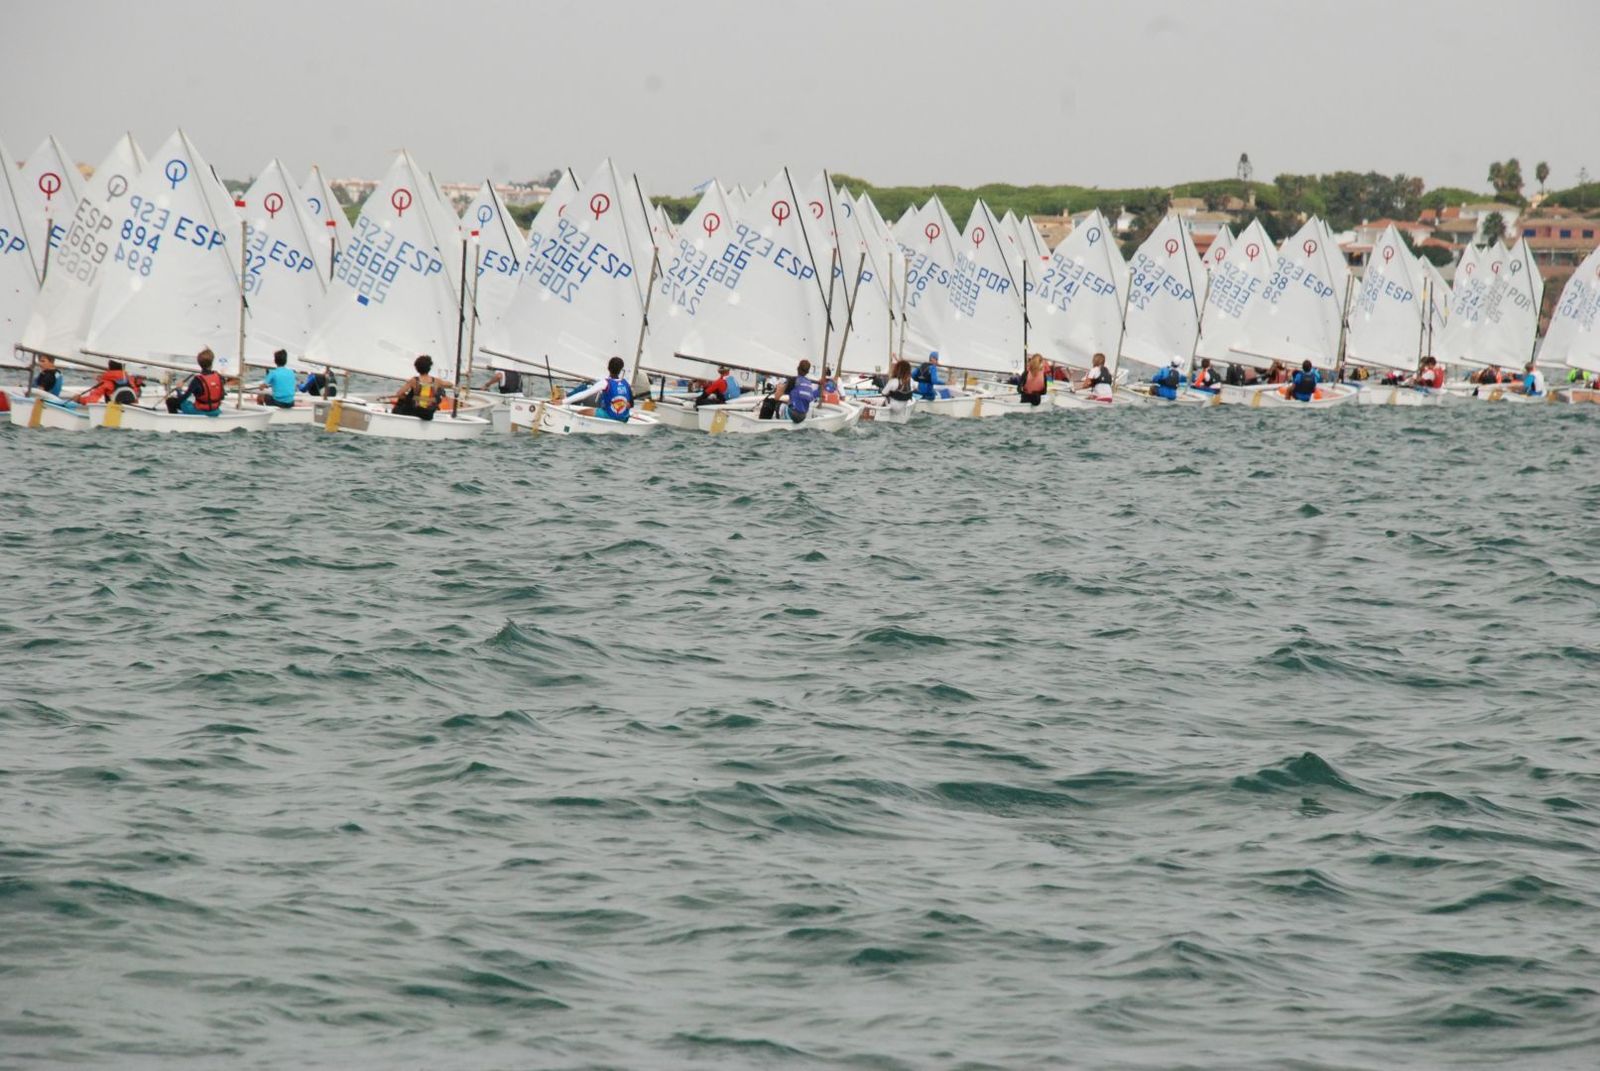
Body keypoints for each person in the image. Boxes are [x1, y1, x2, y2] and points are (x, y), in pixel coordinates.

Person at [565, 356, 635, 421]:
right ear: (621, 370)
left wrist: (562, 402)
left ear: (608, 368)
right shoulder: (626, 384)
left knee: (580, 412)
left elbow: (584, 394)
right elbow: (631, 404)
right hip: (623, 418)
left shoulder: (606, 382)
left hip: (609, 415)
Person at [166, 348, 227, 416]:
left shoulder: (197, 380)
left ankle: (176, 423)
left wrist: (179, 389)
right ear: (212, 362)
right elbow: (221, 397)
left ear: (199, 363)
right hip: (215, 411)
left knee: (170, 401)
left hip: (201, 411)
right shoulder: (219, 377)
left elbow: (181, 400)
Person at [391, 354, 450, 420]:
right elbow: (450, 384)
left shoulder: (414, 380)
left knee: (402, 400)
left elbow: (398, 394)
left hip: (416, 411)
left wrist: (406, 394)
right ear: (429, 368)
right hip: (428, 414)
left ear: (417, 368)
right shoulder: (436, 381)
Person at [75, 360, 140, 405]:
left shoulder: (106, 383)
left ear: (109, 367)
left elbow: (92, 400)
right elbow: (135, 399)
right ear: (123, 368)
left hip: (113, 414)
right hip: (129, 413)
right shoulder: (130, 381)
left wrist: (79, 400)